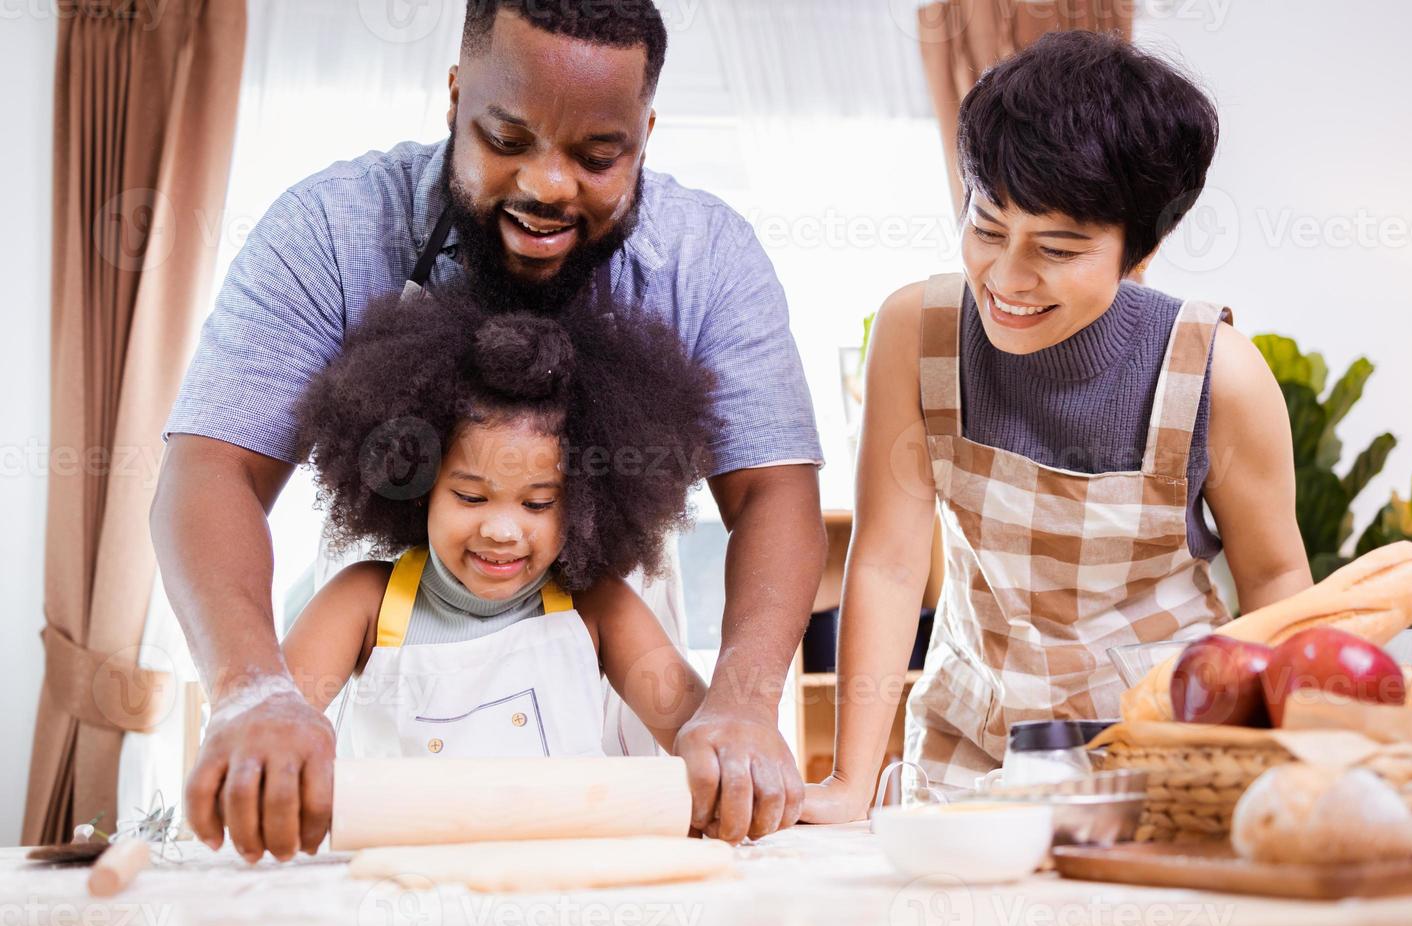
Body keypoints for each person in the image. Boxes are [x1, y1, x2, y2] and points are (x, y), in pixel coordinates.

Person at [153, 0, 824, 863]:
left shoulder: (709, 258)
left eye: (596, 155)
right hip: (384, 812)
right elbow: (211, 469)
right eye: (506, 141)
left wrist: (739, 703)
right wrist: (253, 692)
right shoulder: (328, 228)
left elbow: (775, 490)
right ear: (455, 97)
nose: (547, 186)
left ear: (646, 134)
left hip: (602, 773)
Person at [801, 32, 1312, 820]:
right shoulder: (916, 331)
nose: (1006, 278)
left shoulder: (1219, 373)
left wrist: (1291, 764)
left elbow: (1277, 583)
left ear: (1143, 249)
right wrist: (847, 785)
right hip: (969, 751)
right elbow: (890, 566)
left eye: (1058, 248)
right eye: (987, 226)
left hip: (1164, 755)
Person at [282, 288, 713, 761]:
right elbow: (275, 728)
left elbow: (708, 739)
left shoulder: (599, 608)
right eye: (470, 497)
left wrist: (770, 781)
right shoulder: (363, 602)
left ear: (586, 505)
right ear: (418, 482)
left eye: (538, 503)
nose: (502, 531)